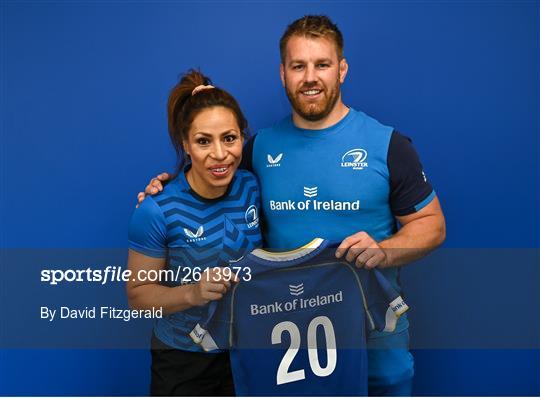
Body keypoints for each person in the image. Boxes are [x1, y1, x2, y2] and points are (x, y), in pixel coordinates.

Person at [139, 15, 446, 396]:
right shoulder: (259, 148)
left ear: (342, 69)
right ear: (282, 74)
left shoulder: (388, 145)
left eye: (322, 64)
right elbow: (211, 181)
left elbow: (432, 225)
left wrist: (383, 251)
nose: (310, 77)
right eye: (298, 66)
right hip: (286, 348)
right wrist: (168, 187)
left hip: (374, 342)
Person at [127, 69, 263, 396]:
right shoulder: (156, 210)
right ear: (186, 144)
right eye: (203, 141)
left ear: (242, 137)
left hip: (248, 353)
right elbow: (138, 297)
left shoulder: (252, 185)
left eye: (229, 138)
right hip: (183, 362)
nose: (219, 154)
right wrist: (193, 292)